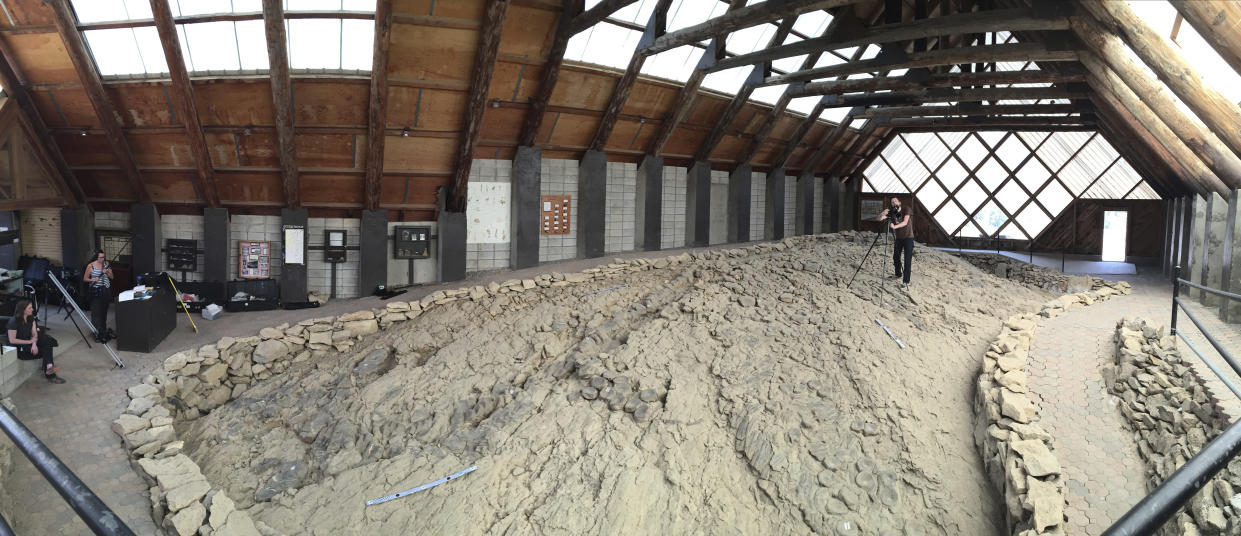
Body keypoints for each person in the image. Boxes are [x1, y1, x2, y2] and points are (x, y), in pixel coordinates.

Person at [7, 299, 64, 384]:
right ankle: (49, 371)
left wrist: (34, 344)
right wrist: (30, 342)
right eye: (30, 308)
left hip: (29, 343)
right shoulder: (13, 321)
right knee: (47, 348)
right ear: (23, 310)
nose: (32, 309)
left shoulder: (31, 318)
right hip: (21, 348)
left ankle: (49, 367)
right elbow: (12, 340)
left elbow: (34, 334)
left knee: (46, 339)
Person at [878, 197, 915, 288]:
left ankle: (906, 281)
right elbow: (879, 219)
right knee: (896, 258)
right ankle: (898, 274)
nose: (894, 203)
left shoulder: (906, 209)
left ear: (899, 202)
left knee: (907, 260)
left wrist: (895, 226)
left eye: (895, 201)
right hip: (899, 239)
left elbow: (905, 222)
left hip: (908, 238)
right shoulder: (892, 213)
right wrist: (883, 213)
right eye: (892, 202)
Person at [83, 249, 113, 343]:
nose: (102, 259)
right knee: (96, 314)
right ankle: (96, 333)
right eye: (100, 257)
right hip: (95, 292)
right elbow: (85, 279)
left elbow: (112, 277)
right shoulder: (90, 266)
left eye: (103, 257)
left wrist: (107, 271)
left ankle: (103, 332)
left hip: (105, 291)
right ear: (96, 257)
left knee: (103, 313)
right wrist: (93, 280)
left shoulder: (106, 264)